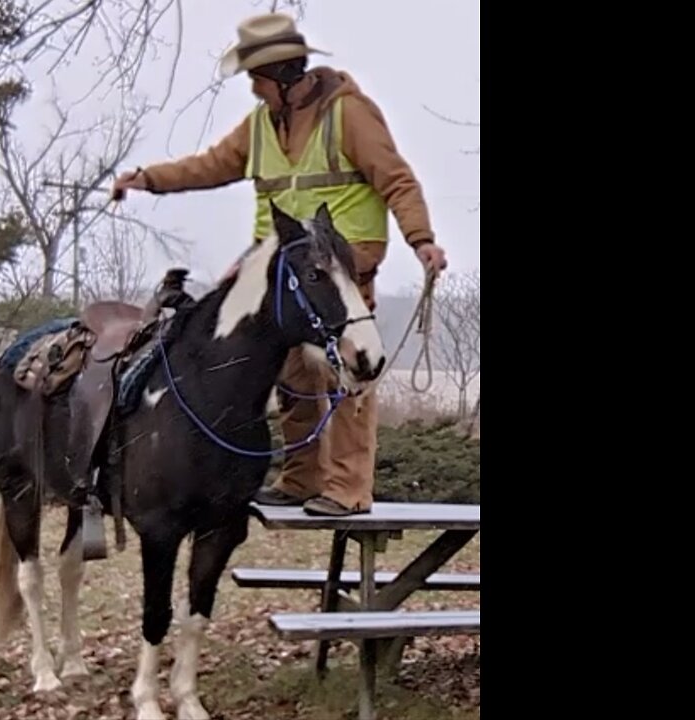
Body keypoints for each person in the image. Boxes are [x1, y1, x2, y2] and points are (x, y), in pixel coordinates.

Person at [111, 12, 447, 516]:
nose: (252, 89)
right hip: (283, 269)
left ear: (286, 75)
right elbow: (210, 166)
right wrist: (148, 179)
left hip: (342, 267)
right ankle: (302, 478)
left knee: (349, 372)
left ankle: (349, 490)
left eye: (257, 78)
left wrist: (422, 240)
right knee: (291, 373)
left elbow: (396, 179)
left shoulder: (350, 114)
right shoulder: (260, 126)